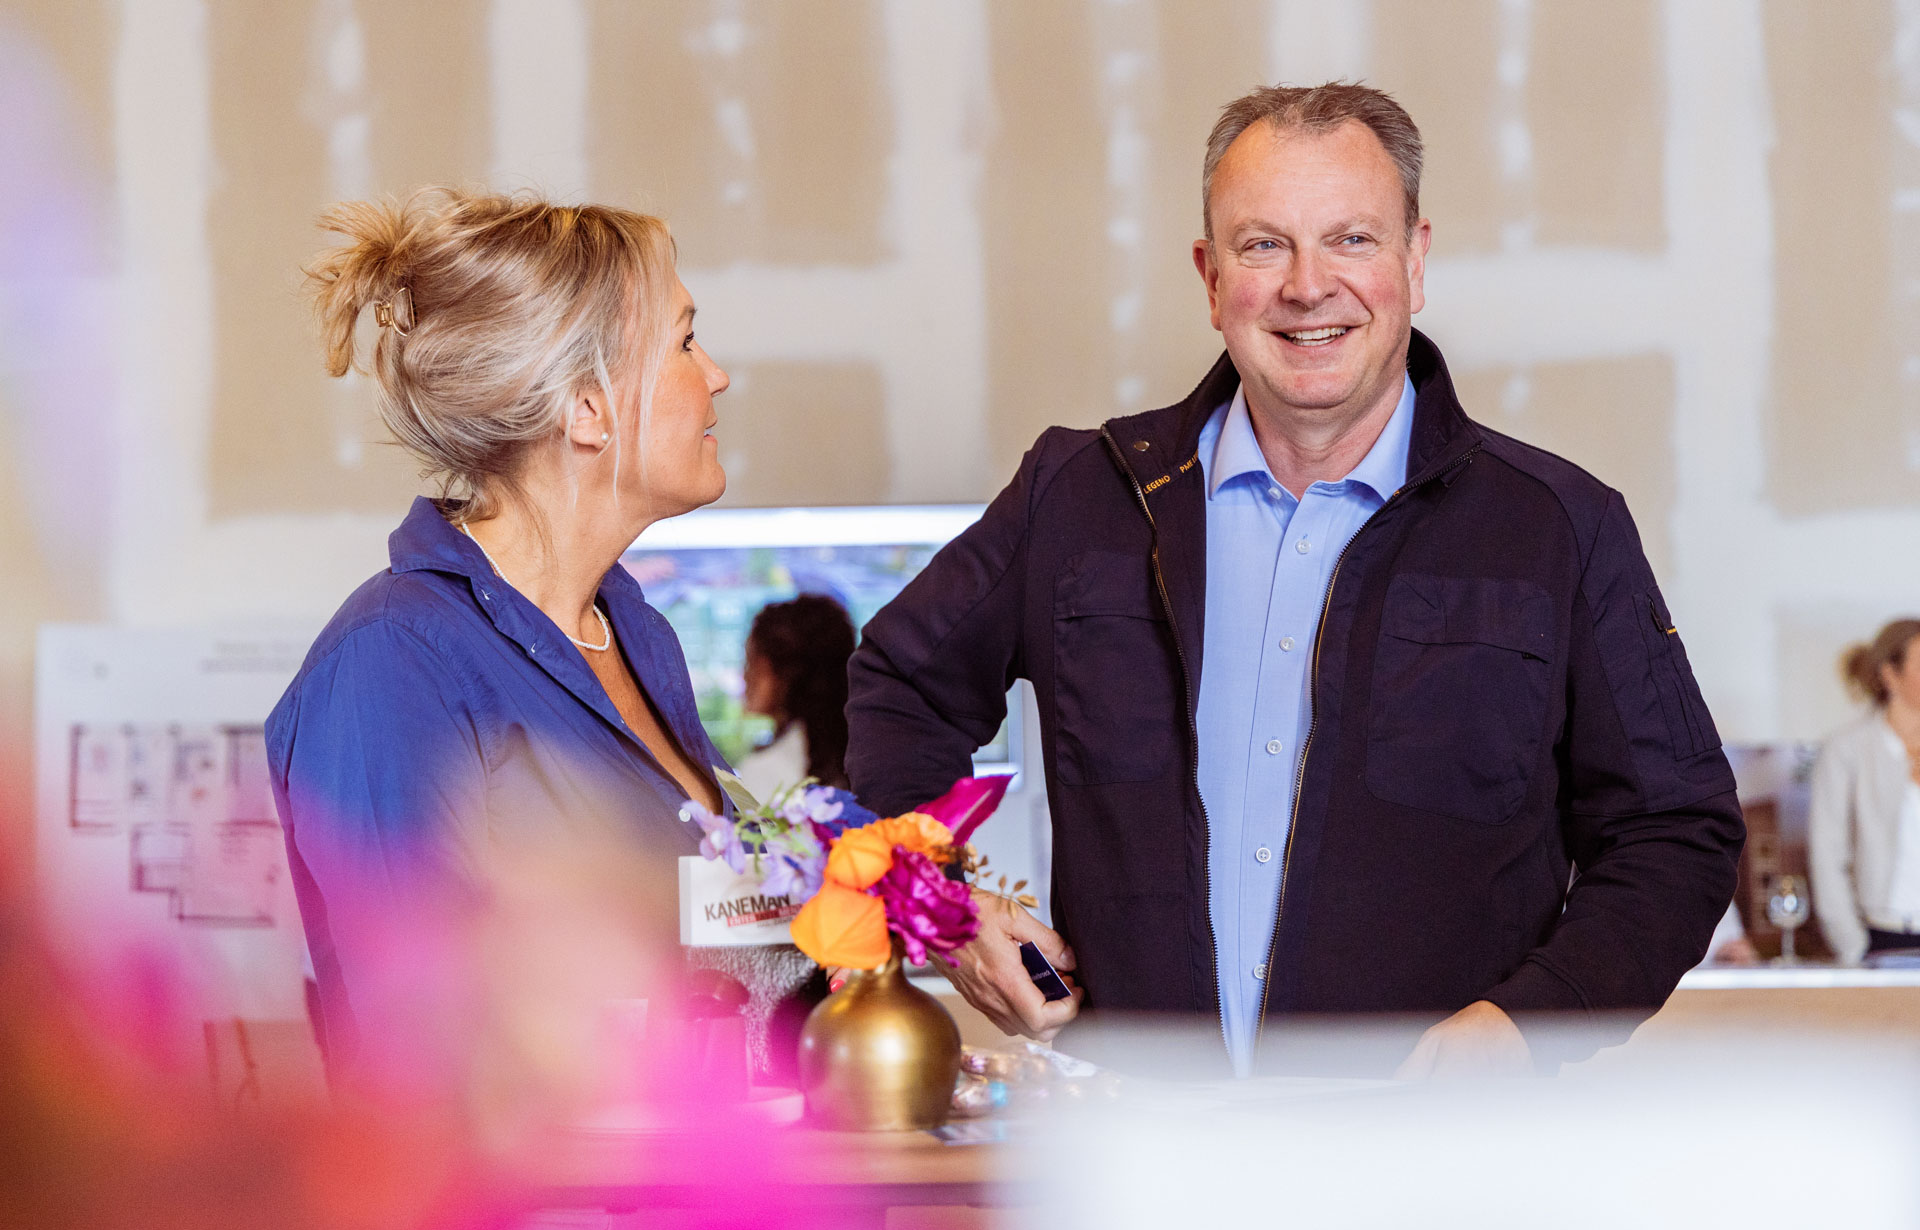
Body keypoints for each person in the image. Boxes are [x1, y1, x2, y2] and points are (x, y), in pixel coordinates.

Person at [845, 82, 1744, 1077]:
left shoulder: (1558, 527)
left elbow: (1675, 832)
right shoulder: (1080, 497)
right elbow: (897, 688)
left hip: (1439, 1149)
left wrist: (1528, 1019)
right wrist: (940, 905)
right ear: (1210, 276)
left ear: (1415, 260)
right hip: (1141, 1141)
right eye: (1264, 245)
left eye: (1352, 239)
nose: (1308, 287)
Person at [267, 189, 735, 1089]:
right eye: (684, 342)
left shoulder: (632, 632)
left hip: (676, 1167)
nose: (714, 376)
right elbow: (419, 1049)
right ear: (588, 410)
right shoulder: (393, 662)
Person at [1809, 619, 1920, 963]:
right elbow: (1827, 857)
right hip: (1882, 940)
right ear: (1890, 674)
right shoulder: (1846, 750)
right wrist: (1855, 949)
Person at [736, 593, 858, 798]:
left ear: (785, 675)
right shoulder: (868, 756)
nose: (745, 676)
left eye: (751, 663)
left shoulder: (763, 773)